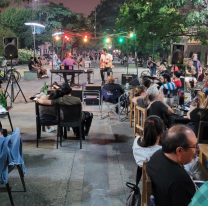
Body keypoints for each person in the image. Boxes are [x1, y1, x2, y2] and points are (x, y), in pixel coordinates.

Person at [146, 125, 197, 206]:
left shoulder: (158, 154)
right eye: (194, 146)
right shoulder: (180, 181)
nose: (198, 150)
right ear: (179, 150)